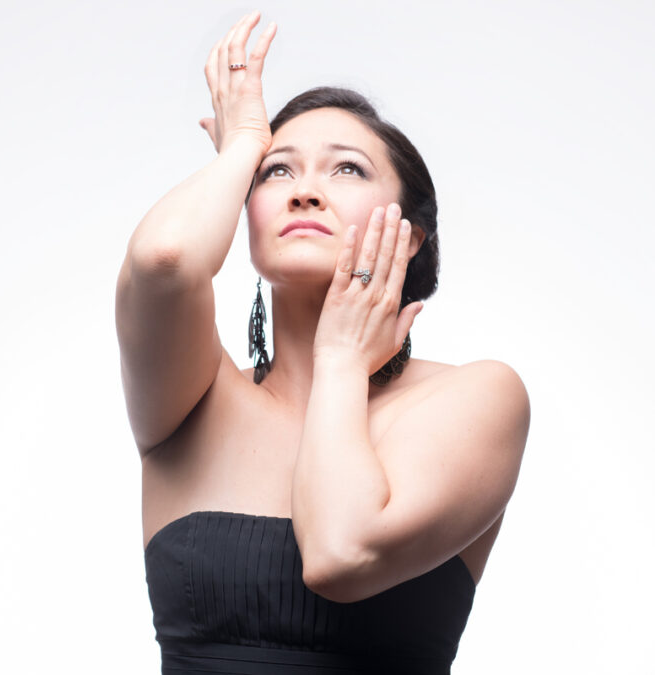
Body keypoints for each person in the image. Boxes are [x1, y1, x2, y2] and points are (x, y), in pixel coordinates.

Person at [115, 10, 530, 674]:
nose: (305, 190)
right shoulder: (193, 399)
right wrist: (244, 140)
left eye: (347, 170)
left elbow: (340, 552)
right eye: (277, 173)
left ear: (412, 234)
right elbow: (164, 259)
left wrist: (340, 361)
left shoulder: (476, 396)